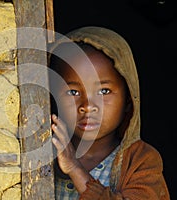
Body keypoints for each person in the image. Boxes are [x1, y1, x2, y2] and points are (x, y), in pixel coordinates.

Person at [48, 26, 170, 199]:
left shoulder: (140, 160)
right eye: (73, 92)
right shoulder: (42, 154)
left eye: (104, 91)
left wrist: (75, 169)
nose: (88, 106)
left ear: (129, 100)